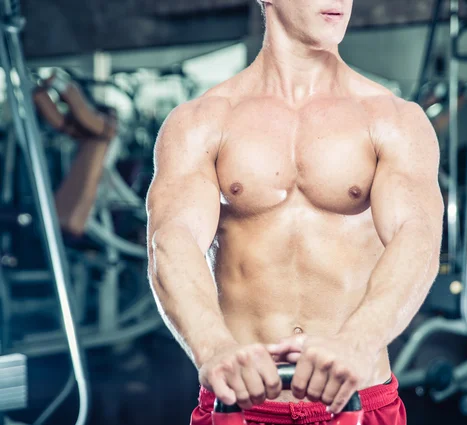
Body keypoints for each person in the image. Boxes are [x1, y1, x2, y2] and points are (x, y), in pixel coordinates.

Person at [146, 1, 444, 424]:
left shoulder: (394, 120)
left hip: (357, 401)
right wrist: (212, 347)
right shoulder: (201, 121)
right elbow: (171, 240)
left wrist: (361, 339)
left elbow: (418, 236)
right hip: (241, 405)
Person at [33, 74, 118, 237]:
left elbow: (83, 114)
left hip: (85, 204)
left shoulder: (105, 128)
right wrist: (39, 93)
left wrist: (62, 84)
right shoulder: (89, 136)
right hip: (70, 201)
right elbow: (61, 124)